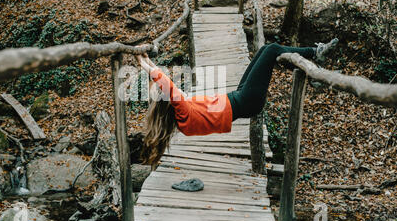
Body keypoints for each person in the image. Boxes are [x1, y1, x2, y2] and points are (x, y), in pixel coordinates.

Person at [136, 39, 338, 165]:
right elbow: (165, 82)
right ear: (169, 102)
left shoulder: (182, 117)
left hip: (240, 96)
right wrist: (143, 65)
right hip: (246, 101)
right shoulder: (183, 111)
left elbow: (164, 80)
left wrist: (145, 60)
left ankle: (310, 69)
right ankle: (315, 53)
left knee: (265, 49)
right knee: (272, 49)